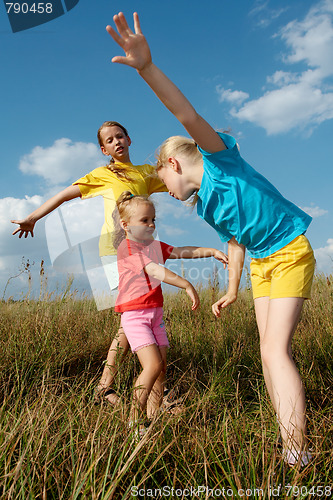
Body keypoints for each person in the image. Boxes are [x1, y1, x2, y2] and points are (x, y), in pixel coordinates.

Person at [106, 12, 316, 465]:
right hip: (261, 261)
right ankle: (288, 440)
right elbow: (237, 241)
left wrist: (146, 68)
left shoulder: (219, 158)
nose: (166, 192)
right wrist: (232, 290)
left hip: (289, 250)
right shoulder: (203, 205)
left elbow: (185, 111)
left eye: (162, 180)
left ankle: (299, 454)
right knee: (266, 354)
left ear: (173, 165)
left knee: (276, 350)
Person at [11, 120, 168, 406]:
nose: (116, 142)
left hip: (144, 254)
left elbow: (175, 180)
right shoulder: (103, 174)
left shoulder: (145, 173)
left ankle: (112, 387)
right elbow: (63, 194)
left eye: (120, 136)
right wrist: (33, 217)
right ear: (103, 149)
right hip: (115, 252)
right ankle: (125, 388)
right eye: (109, 140)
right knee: (134, 315)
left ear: (129, 139)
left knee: (132, 319)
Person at [113, 191, 227, 439]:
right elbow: (154, 270)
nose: (151, 224)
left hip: (155, 315)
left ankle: (154, 417)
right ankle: (134, 420)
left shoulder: (154, 246)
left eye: (153, 219)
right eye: (145, 220)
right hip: (135, 316)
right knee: (151, 365)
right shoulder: (128, 247)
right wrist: (186, 284)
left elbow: (182, 251)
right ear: (126, 225)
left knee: (161, 369)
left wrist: (211, 250)